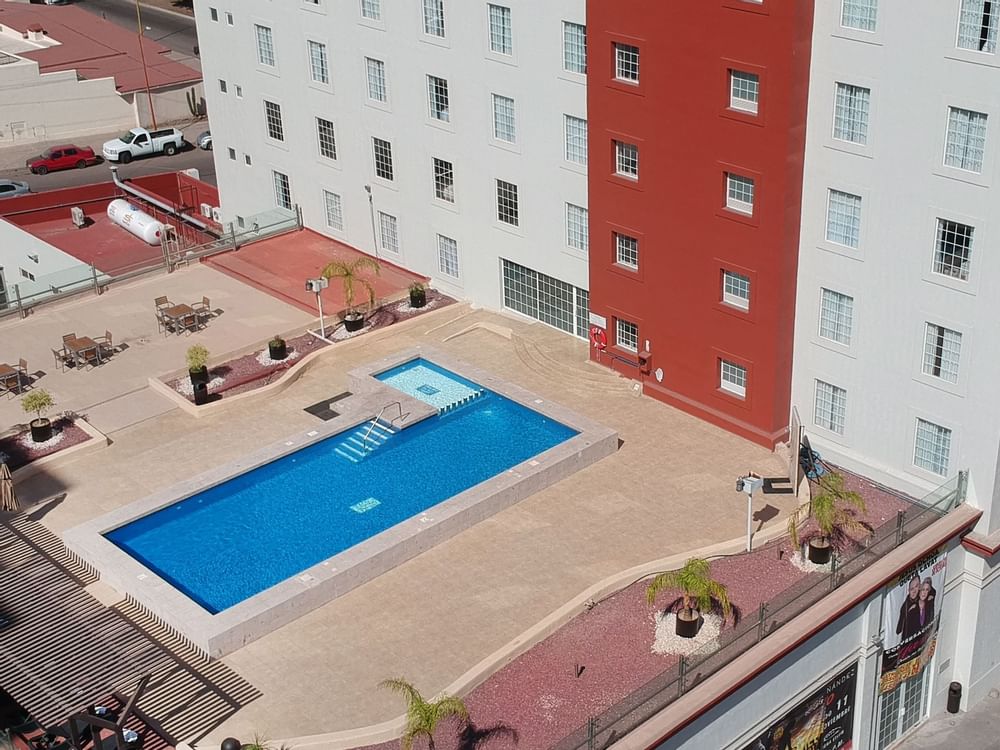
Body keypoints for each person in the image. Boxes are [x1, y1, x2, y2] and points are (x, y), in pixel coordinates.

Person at [896, 575, 922, 641]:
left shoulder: (923, 597)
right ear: (908, 590)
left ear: (920, 586)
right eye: (912, 589)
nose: (914, 591)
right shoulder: (905, 606)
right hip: (909, 639)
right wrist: (909, 612)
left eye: (916, 586)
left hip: (921, 635)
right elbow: (898, 630)